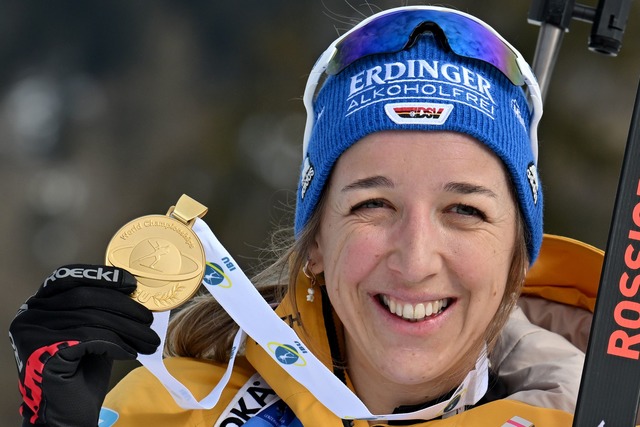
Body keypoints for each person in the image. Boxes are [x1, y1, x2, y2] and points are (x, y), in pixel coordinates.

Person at [9, 5, 602, 426]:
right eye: (373, 204)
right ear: (316, 239)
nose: (417, 259)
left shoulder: (602, 410)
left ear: (519, 250)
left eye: (464, 210)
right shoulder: (173, 412)